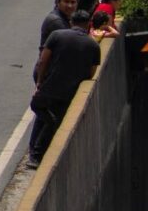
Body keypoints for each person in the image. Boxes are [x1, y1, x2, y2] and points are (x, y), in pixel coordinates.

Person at [28, 9, 101, 168]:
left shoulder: (57, 35)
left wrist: (39, 82)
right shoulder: (93, 45)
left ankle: (36, 154)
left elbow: (43, 61)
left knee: (40, 110)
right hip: (70, 93)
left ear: (71, 22)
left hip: (50, 88)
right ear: (88, 24)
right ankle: (37, 154)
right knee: (55, 120)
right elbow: (91, 72)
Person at [37, 0, 79, 75]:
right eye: (66, 1)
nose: (70, 5)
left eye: (73, 2)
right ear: (58, 2)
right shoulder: (56, 21)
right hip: (49, 72)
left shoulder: (67, 17)